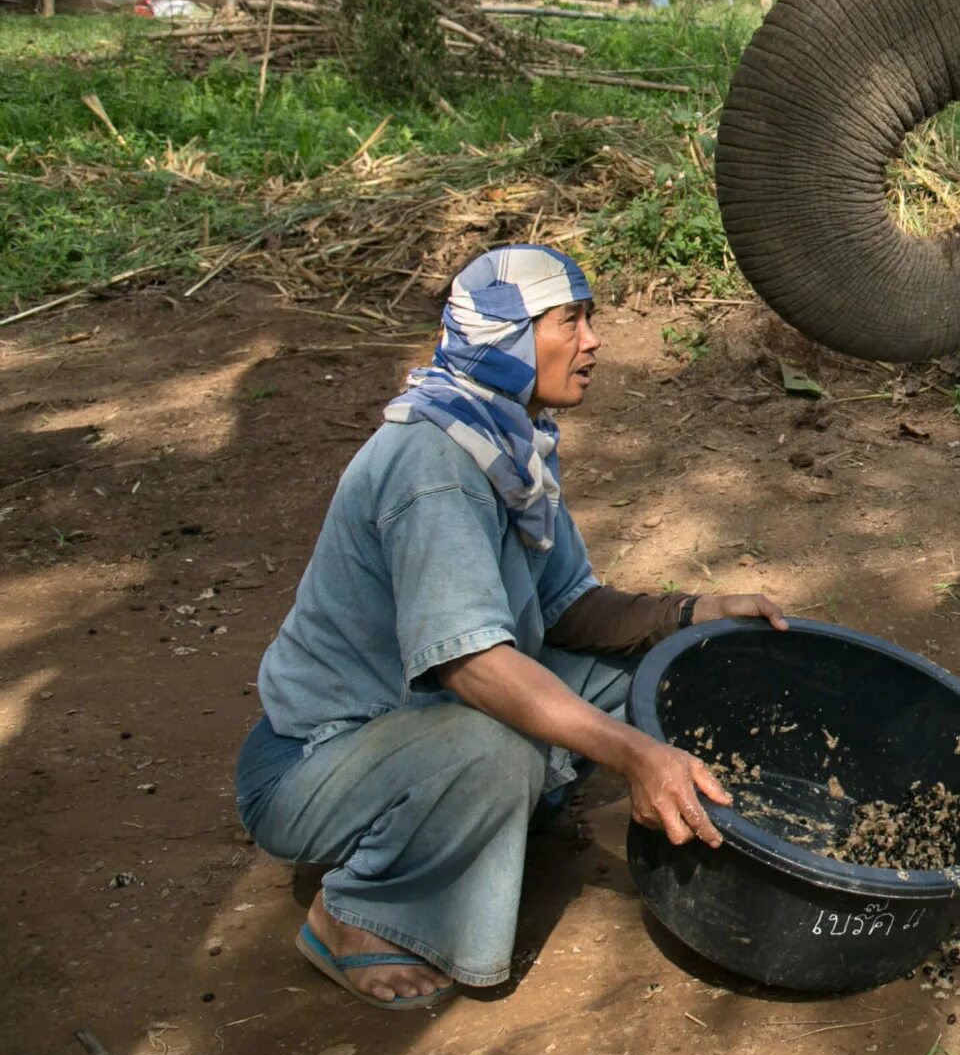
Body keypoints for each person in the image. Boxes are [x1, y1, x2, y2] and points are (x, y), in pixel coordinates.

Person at [233, 245, 786, 1008]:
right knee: (498, 750)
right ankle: (357, 910)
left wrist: (693, 613)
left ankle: (480, 816)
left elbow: (569, 609)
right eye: (570, 321)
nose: (593, 340)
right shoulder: (431, 463)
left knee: (670, 667)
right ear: (506, 339)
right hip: (318, 761)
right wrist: (636, 757)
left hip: (421, 725)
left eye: (591, 319)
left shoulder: (506, 443)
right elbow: (476, 671)